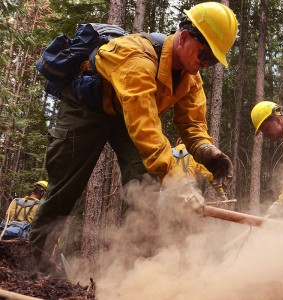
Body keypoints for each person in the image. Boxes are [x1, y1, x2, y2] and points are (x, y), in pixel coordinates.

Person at [30, 2, 238, 272]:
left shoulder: (190, 78)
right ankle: (34, 263)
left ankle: (132, 270)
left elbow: (193, 123)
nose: (206, 64)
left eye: (213, 60)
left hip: (127, 112)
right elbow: (146, 128)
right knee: (65, 185)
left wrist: (207, 151)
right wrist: (178, 183)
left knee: (146, 185)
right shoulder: (137, 60)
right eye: (205, 55)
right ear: (185, 38)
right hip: (88, 109)